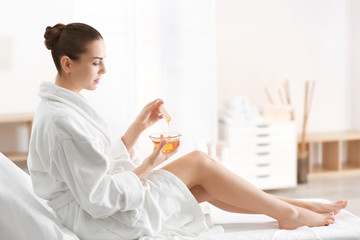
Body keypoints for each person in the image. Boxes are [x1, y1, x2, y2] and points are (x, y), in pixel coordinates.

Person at [28, 23, 348, 240]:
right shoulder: (62, 121)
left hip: (98, 206)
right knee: (198, 163)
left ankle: (290, 208)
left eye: (104, 61)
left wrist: (138, 128)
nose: (104, 70)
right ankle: (290, 211)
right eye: (96, 63)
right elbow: (99, 199)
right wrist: (149, 164)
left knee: (204, 188)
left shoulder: (64, 107)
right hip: (101, 221)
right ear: (67, 64)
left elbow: (97, 165)